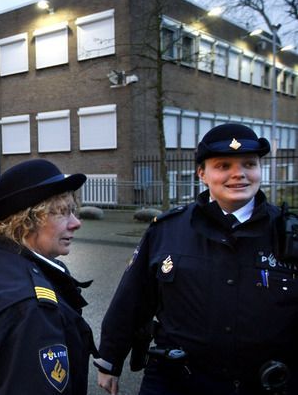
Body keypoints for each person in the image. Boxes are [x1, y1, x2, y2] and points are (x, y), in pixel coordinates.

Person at [95, 123, 298, 395]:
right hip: (177, 381)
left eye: (249, 164)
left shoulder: (289, 232)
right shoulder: (167, 230)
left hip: (265, 383)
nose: (238, 175)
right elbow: (132, 299)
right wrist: (110, 360)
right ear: (202, 173)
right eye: (223, 166)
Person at [0, 159, 95, 394]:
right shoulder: (30, 308)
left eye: (73, 211)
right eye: (62, 213)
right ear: (26, 221)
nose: (76, 223)